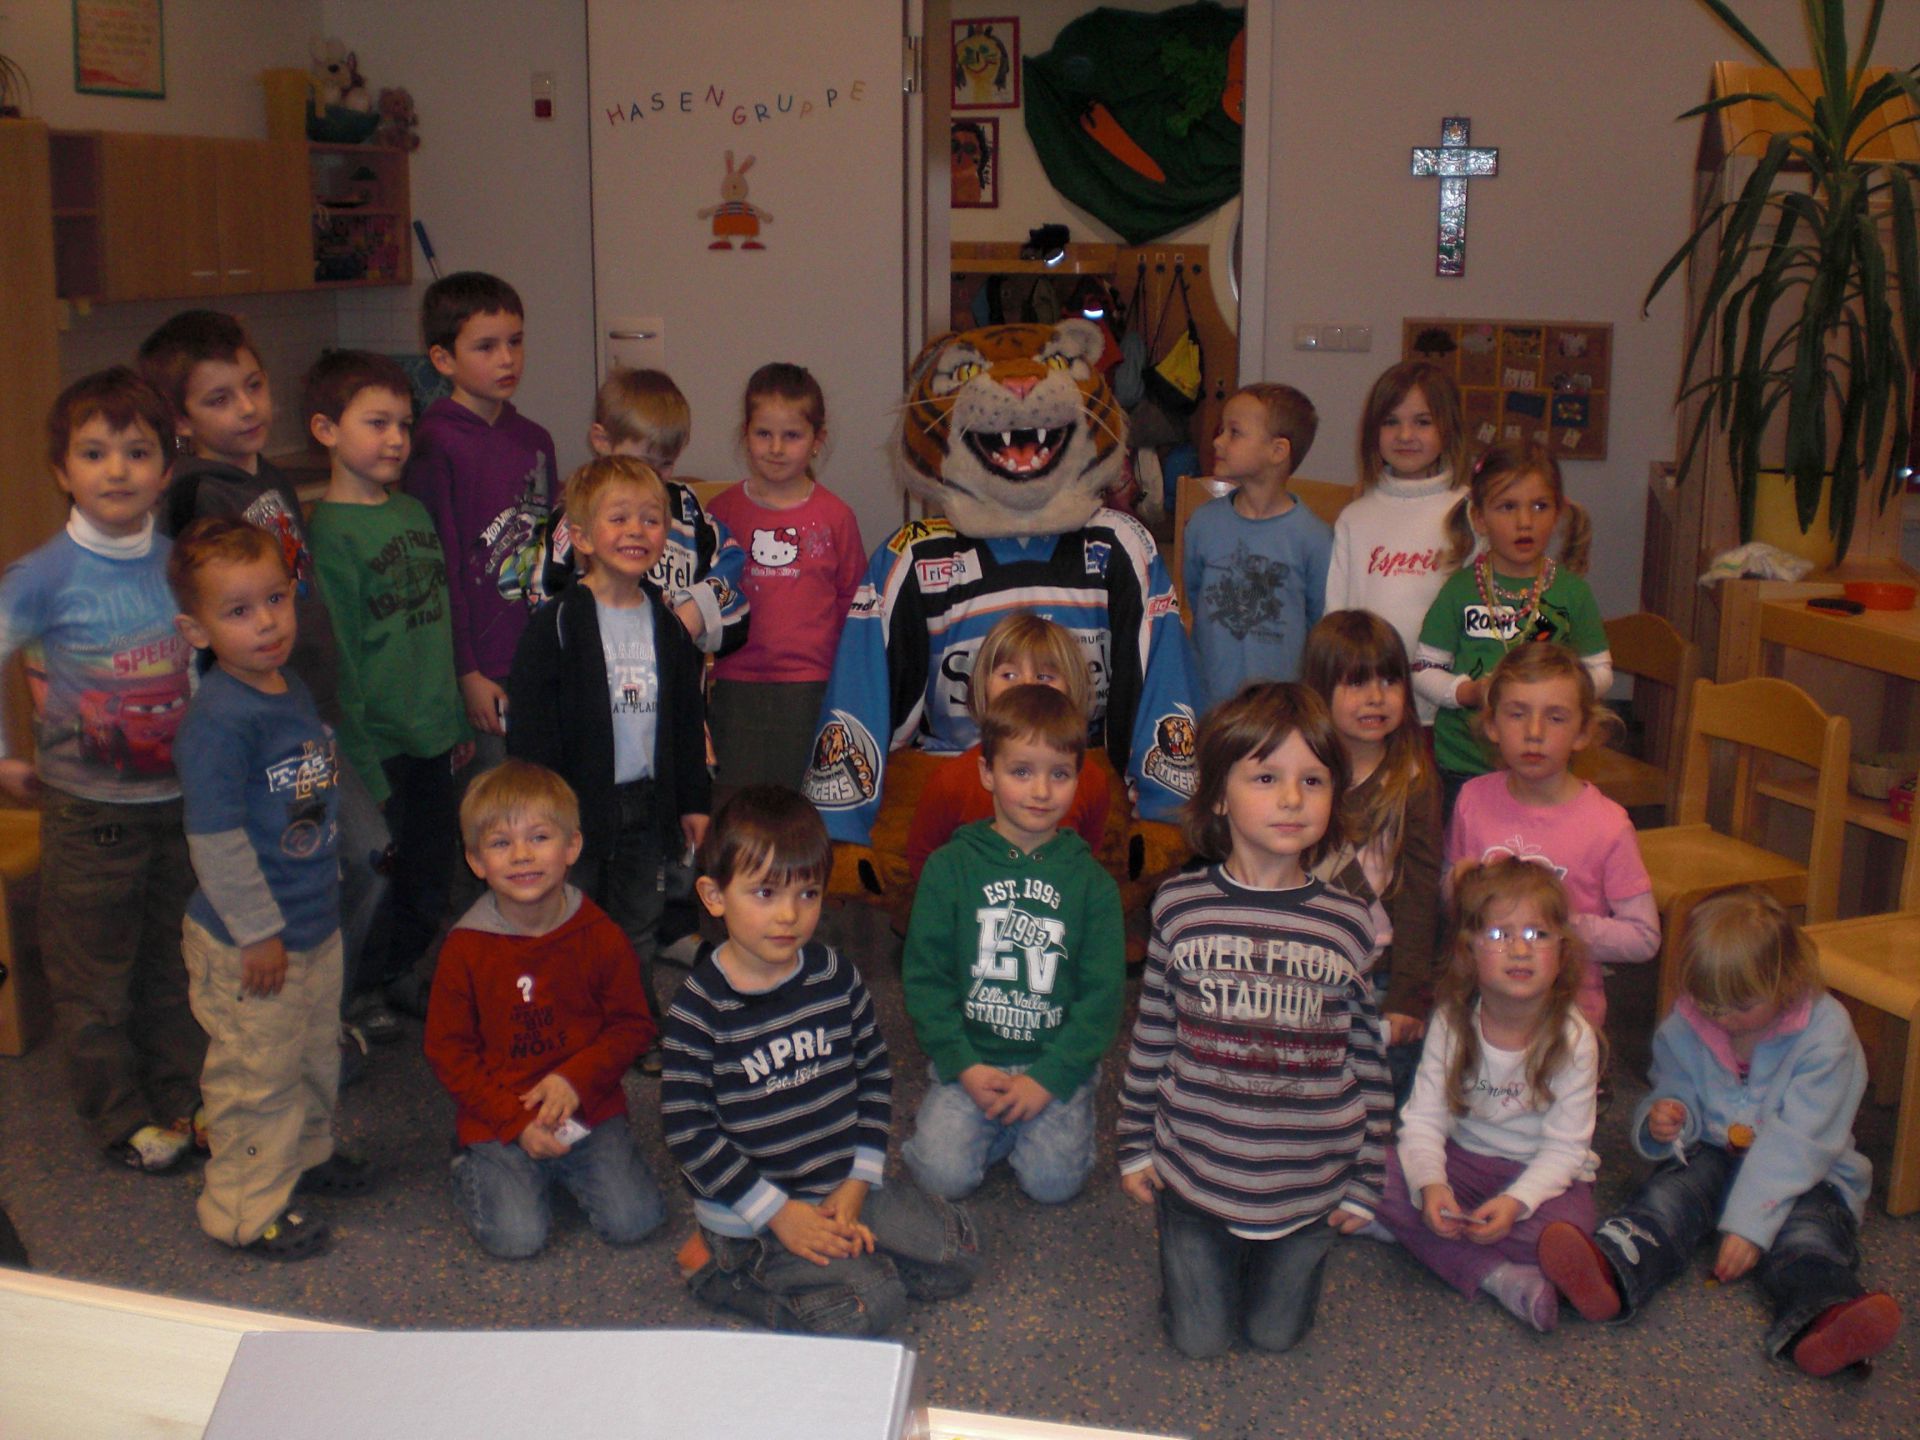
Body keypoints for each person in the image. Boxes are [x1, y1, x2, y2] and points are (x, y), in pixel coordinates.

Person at [1116, 682, 1391, 1358]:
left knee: (1275, 1336)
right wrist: (1136, 1144)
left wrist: (1366, 1178)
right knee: (1199, 1342)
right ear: (1219, 795)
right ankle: (1200, 1267)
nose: (1292, 798)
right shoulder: (1180, 906)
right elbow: (1152, 1037)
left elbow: (1368, 1061)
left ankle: (1261, 1261)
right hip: (1196, 1175)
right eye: (1266, 777)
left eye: (1312, 780)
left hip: (1308, 1184)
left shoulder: (1350, 922)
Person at [140, 311, 388, 1047]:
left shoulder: (268, 476)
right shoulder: (195, 495)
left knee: (355, 858)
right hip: (257, 725)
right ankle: (301, 1010)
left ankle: (322, 1004)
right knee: (352, 854)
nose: (248, 408)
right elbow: (201, 619)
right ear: (181, 420)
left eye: (253, 385)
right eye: (219, 399)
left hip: (305, 702)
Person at [1539, 887, 1902, 1379]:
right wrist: (1667, 1117)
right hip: (1710, 1151)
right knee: (1664, 1201)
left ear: (1785, 981)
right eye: (1708, 1002)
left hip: (1808, 1173)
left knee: (1808, 1238)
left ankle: (1827, 1316)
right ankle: (1609, 1268)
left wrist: (1750, 1225)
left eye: (1739, 1005)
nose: (1721, 1017)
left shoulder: (1826, 1033)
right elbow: (1673, 1084)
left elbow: (1802, 1141)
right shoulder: (1690, 1018)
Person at [661, 786, 979, 1335]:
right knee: (871, 1306)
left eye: (807, 893)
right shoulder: (699, 1008)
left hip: (839, 1188)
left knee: (960, 1253)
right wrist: (779, 1215)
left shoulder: (836, 976)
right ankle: (720, 1272)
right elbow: (689, 1133)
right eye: (765, 893)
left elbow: (873, 1076)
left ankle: (852, 1258)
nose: (789, 915)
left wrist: (857, 1183)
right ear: (714, 896)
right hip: (753, 1217)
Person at [0, 369, 202, 1171]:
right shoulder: (42, 576)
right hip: (89, 813)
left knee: (173, 961)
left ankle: (180, 1095)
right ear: (62, 470)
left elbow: (204, 669)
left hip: (179, 801)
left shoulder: (180, 565)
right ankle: (119, 1116)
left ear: (166, 468)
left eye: (137, 451)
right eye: (93, 453)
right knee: (93, 974)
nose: (116, 470)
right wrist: (3, 759)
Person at [169, 518, 374, 1260]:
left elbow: (304, 803)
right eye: (238, 610)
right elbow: (217, 841)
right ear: (197, 630)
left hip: (310, 925)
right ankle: (243, 1209)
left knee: (312, 1057)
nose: (266, 623)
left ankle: (305, 1158)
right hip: (249, 942)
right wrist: (258, 931)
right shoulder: (219, 720)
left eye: (276, 599)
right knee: (256, 1078)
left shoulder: (289, 688)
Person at [507, 457, 709, 1067]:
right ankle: (566, 1025)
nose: (636, 531)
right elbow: (532, 730)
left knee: (637, 925)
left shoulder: (667, 626)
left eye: (651, 519)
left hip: (647, 805)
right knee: (569, 921)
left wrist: (694, 801)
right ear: (584, 537)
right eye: (619, 518)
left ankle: (633, 1023)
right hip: (574, 809)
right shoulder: (558, 624)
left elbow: (685, 720)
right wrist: (540, 816)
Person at [424, 760, 666, 1259]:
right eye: (500, 843)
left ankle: (550, 1168)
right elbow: (448, 1052)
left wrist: (576, 1080)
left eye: (539, 837)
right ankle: (472, 1162)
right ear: (476, 861)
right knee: (518, 1239)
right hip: (499, 1113)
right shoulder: (465, 948)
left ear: (572, 847)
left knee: (636, 1221)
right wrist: (513, 1123)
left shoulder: (600, 935)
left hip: (586, 1105)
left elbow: (632, 1025)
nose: (521, 855)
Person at [303, 350, 472, 1041]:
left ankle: (405, 971)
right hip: (380, 746)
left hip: (434, 734)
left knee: (431, 871)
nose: (397, 439)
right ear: (325, 430)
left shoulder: (411, 511)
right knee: (380, 872)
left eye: (404, 423)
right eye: (377, 423)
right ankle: (363, 988)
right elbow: (340, 664)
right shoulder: (327, 535)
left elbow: (438, 625)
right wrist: (364, 766)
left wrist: (455, 719)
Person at [901, 684, 1125, 1204]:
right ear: (988, 773)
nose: (1041, 791)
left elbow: (1101, 999)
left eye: (1059, 774)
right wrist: (962, 1064)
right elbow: (926, 978)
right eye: (1021, 771)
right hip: (972, 1061)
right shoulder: (950, 868)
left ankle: (1022, 1125)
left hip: (1052, 1064)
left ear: (1078, 777)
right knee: (940, 1178)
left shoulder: (1093, 886)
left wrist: (1049, 1078)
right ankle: (994, 1128)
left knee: (1053, 1186)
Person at [1370, 857, 1602, 1332]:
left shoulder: (1575, 1039)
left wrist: (1516, 1202)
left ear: (1562, 950)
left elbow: (1565, 1150)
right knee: (1368, 1173)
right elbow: (1423, 1121)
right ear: (1469, 951)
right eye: (1499, 934)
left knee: (1573, 1226)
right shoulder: (1453, 1022)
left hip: (1535, 1171)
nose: (1519, 949)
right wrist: (1432, 1184)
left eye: (1537, 934)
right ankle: (1502, 1277)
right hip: (1462, 1162)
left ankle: (1420, 1235)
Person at [1444, 642, 1657, 1030]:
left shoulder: (1607, 824)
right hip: (1482, 1008)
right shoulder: (1472, 799)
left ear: (1583, 732)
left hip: (1566, 1020)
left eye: (1555, 718)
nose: (1534, 733)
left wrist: (1557, 926)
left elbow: (1643, 937)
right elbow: (1452, 891)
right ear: (1492, 725)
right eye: (1517, 714)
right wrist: (1457, 885)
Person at [403, 271, 559, 766]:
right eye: (486, 347)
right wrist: (466, 673)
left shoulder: (535, 439)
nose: (507, 358)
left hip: (537, 652)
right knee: (492, 795)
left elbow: (552, 552)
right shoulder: (434, 443)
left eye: (515, 341)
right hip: (480, 667)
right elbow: (439, 569)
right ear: (443, 359)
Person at [1415, 441, 1612, 815]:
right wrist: (1470, 692)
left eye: (1540, 506)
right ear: (1479, 519)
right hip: (1465, 763)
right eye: (1507, 507)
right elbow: (1424, 669)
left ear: (1558, 513)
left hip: (1546, 764)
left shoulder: (1572, 593)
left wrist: (1560, 692)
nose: (1525, 522)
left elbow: (1600, 670)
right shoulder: (1459, 590)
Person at [1301, 610, 1443, 1103]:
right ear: (1320, 691)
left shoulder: (1413, 779)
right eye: (1357, 682)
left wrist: (1408, 994)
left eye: (1389, 680)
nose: (1377, 697)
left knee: (1380, 1101)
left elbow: (1421, 894)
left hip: (1380, 973)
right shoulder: (1299, 774)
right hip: (1307, 969)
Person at [705, 363, 863, 795]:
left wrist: (847, 684)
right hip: (734, 685)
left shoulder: (836, 517)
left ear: (817, 440)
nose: (776, 448)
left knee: (800, 806)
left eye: (791, 435)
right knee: (736, 805)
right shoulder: (720, 512)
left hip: (810, 688)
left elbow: (853, 605)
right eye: (763, 434)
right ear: (745, 434)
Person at [905, 612, 1112, 881]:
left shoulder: (1092, 780)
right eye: (1009, 674)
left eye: (1044, 676)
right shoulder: (950, 782)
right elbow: (924, 860)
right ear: (983, 686)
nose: (1025, 686)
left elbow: (1087, 860)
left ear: (1072, 687)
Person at [1323, 361, 1471, 725]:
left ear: (1448, 427)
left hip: (1451, 712)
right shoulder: (1355, 518)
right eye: (1391, 421)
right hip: (1371, 708)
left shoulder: (1471, 512)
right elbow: (1336, 619)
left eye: (1422, 421)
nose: (1405, 435)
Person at [1182, 383, 1331, 705]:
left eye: (1234, 432)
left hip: (1280, 710)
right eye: (1221, 430)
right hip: (1209, 703)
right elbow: (1195, 596)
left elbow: (1320, 626)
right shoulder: (1202, 524)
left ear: (1277, 451)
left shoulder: (1314, 538)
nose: (1218, 441)